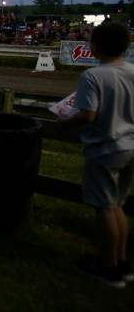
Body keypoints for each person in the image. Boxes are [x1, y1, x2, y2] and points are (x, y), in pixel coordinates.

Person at [60, 22, 134, 287]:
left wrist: (64, 121)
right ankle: (122, 261)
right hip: (130, 145)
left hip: (106, 147)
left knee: (104, 208)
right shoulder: (131, 71)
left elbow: (88, 115)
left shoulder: (93, 76)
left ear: (96, 46)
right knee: (118, 205)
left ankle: (109, 267)